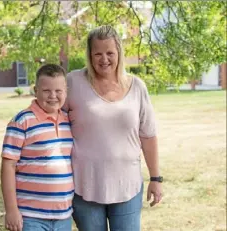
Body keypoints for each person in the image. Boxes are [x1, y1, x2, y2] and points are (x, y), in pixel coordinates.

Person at [64, 25, 163, 231]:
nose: (104, 59)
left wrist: (155, 178)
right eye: (97, 53)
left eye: (110, 53)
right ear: (89, 55)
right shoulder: (72, 82)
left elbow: (148, 136)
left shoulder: (137, 87)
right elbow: (52, 122)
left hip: (127, 185)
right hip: (84, 186)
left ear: (119, 52)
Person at [1, 64, 74, 231]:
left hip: (63, 216)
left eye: (58, 91)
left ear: (66, 91)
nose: (53, 96)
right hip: (30, 216)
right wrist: (11, 210)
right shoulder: (22, 121)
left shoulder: (67, 120)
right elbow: (8, 166)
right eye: (46, 91)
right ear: (36, 91)